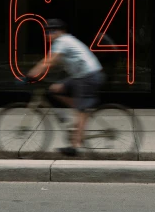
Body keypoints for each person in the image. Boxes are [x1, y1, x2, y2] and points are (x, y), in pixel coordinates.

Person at [27, 19, 104, 157]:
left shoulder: (63, 41)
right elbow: (53, 62)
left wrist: (31, 74)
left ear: (60, 31)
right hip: (80, 76)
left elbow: (49, 60)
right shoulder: (62, 42)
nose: (47, 34)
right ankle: (82, 109)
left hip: (88, 76)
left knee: (79, 111)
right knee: (54, 89)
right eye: (46, 32)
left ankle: (75, 147)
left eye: (50, 31)